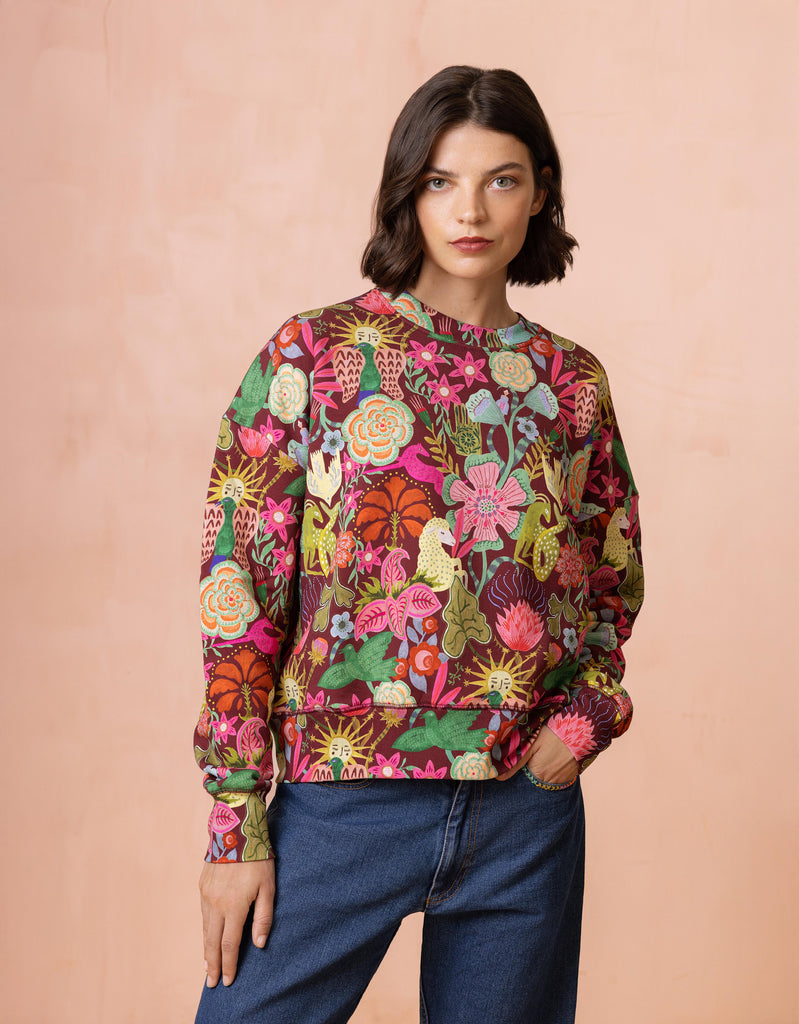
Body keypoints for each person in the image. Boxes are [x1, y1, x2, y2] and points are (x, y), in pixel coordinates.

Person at [193, 65, 644, 1024]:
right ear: (407, 190)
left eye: (501, 179)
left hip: (523, 810)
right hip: (343, 802)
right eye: (441, 181)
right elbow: (240, 584)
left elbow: (610, 574)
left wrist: (577, 730)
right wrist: (236, 820)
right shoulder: (313, 355)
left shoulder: (570, 383)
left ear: (540, 192)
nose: (469, 210)